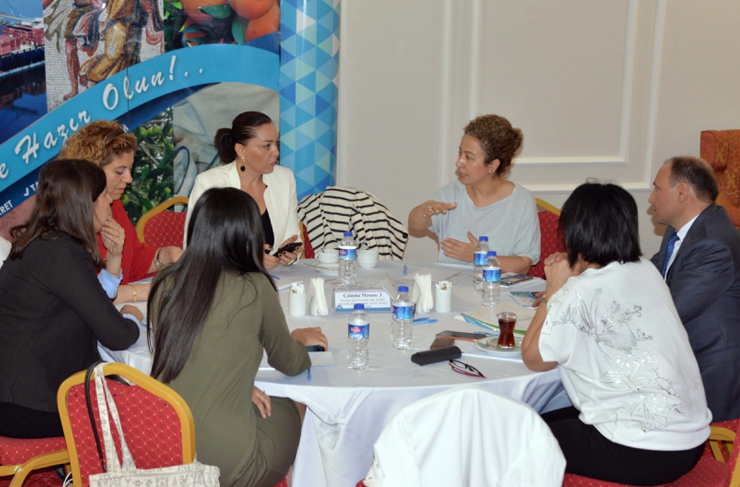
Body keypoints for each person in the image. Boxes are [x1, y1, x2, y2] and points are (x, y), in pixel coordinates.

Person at [521, 182, 712, 486]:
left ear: (576, 232)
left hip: (638, 450)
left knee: (518, 434)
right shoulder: (645, 270)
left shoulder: (578, 291)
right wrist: (574, 276)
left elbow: (533, 358)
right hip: (689, 441)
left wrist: (553, 291)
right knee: (542, 416)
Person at [149, 187, 327, 487]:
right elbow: (289, 363)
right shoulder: (254, 286)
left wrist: (241, 385)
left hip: (166, 447)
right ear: (248, 234)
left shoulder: (166, 281)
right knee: (298, 400)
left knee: (258, 404)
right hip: (230, 464)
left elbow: (192, 352)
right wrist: (300, 340)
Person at [0, 159, 141, 438]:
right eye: (104, 196)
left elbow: (87, 302)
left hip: (12, 395)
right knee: (136, 412)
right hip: (27, 407)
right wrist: (132, 318)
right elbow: (118, 336)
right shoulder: (64, 254)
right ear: (86, 204)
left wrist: (114, 260)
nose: (110, 203)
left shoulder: (40, 242)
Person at [648, 156, 740, 422]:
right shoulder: (680, 230)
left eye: (657, 189)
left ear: (681, 192)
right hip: (683, 355)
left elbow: (671, 311)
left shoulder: (713, 244)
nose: (652, 199)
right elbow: (652, 270)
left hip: (711, 369)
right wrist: (590, 273)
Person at [59, 120, 183, 303]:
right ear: (91, 170)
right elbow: (87, 294)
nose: (129, 179)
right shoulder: (68, 220)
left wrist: (165, 255)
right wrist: (149, 291)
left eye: (130, 169)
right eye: (119, 171)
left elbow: (133, 259)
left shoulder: (114, 203)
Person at [408, 114, 539, 273]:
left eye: (468, 157)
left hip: (495, 287)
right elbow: (414, 225)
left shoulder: (522, 201)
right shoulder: (451, 194)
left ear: (493, 165)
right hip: (449, 286)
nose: (459, 163)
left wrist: (480, 257)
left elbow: (524, 265)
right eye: (460, 153)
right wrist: (425, 210)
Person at [183, 111, 302, 270]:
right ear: (241, 150)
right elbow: (195, 250)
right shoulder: (209, 183)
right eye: (267, 146)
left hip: (275, 278)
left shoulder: (285, 178)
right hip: (224, 280)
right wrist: (248, 259)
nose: (276, 152)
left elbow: (293, 238)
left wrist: (292, 254)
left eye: (276, 143)